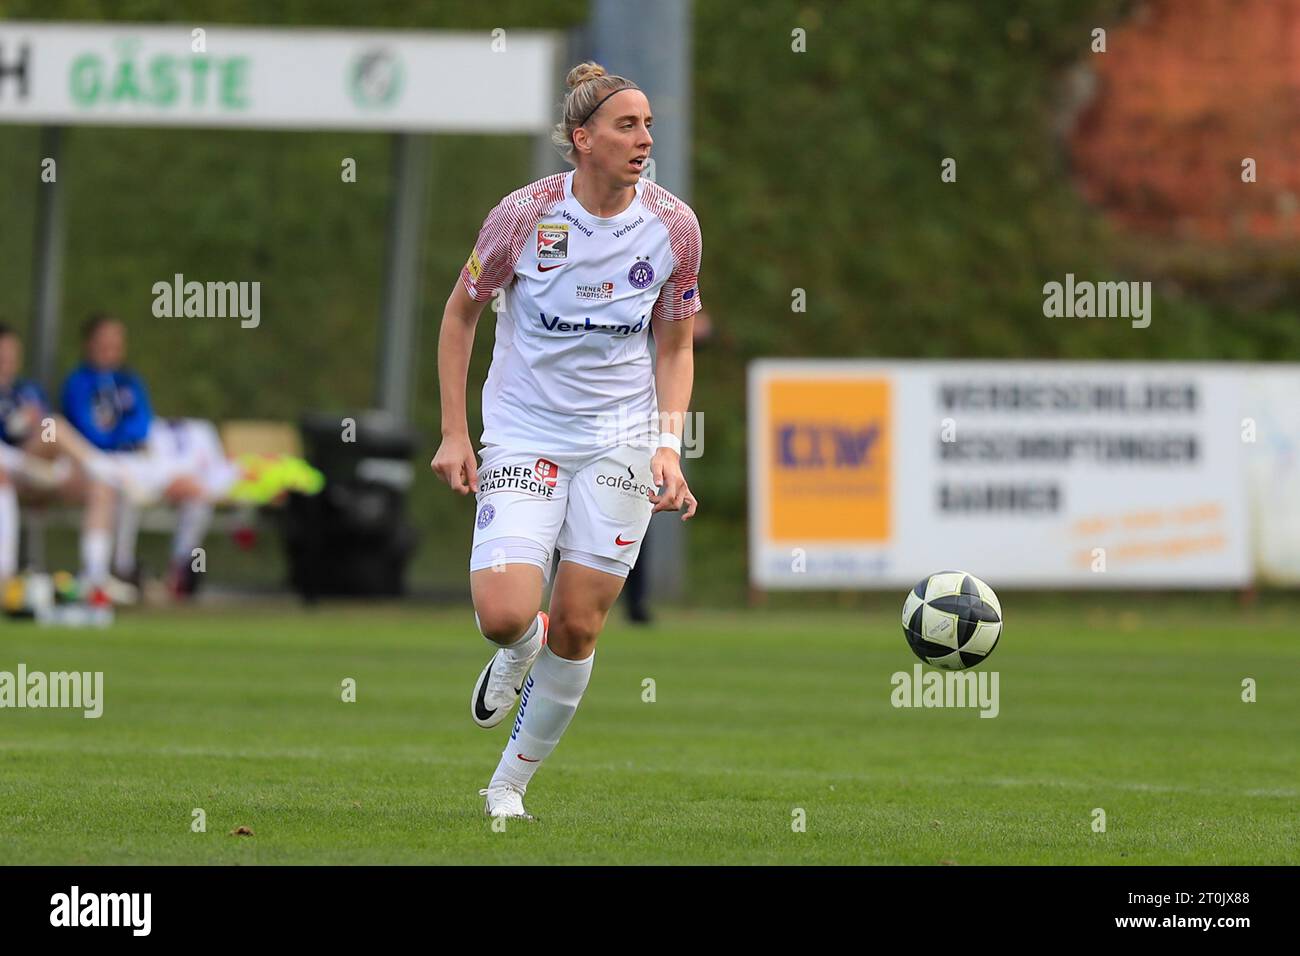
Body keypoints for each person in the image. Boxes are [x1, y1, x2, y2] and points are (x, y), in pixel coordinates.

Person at [430, 61, 703, 821]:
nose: (645, 138)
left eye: (649, 124)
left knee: (581, 624)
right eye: (627, 125)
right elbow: (460, 317)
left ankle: (508, 786)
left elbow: (675, 346)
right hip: (524, 434)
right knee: (505, 614)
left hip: (619, 440)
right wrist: (456, 433)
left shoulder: (674, 225)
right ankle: (518, 650)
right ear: (582, 140)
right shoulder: (522, 217)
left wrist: (667, 446)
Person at [61, 313, 213, 597]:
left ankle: (183, 567)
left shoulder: (130, 381)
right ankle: (121, 567)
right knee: (126, 487)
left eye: (117, 341)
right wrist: (117, 434)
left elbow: (142, 424)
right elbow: (89, 431)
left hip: (141, 458)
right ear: (89, 343)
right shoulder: (78, 383)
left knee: (196, 491)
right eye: (104, 340)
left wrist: (122, 432)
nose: (111, 347)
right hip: (102, 461)